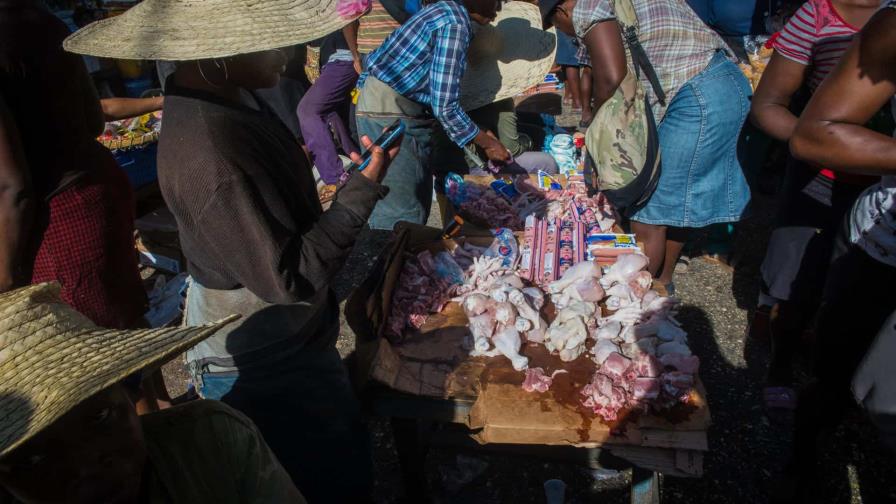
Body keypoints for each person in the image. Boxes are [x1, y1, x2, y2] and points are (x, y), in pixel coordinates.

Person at [65, 2, 399, 501]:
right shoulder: (213, 153)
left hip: (282, 341)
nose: (289, 55)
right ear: (218, 56)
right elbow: (289, 279)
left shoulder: (213, 101)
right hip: (268, 357)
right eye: (273, 42)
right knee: (324, 481)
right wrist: (359, 194)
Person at [0, 283, 304, 503]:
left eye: (100, 417)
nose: (86, 464)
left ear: (131, 393)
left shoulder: (211, 440)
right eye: (34, 459)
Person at [543, 0, 752, 293]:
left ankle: (633, 299)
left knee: (648, 210)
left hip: (699, 94)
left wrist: (598, 138)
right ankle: (661, 284)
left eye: (557, 26)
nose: (565, 33)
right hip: (715, 86)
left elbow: (611, 77)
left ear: (562, 10)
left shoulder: (587, 6)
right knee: (674, 199)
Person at [780, 3, 896, 497]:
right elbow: (812, 133)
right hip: (883, 248)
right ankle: (804, 469)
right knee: (835, 378)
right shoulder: (888, 24)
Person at [749, 0, 882, 414]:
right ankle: (782, 367)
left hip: (885, 188)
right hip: (821, 180)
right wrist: (820, 146)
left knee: (862, 296)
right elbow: (768, 105)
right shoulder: (818, 14)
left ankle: (846, 381)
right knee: (795, 284)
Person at [0, 0, 146, 328]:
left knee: (92, 350)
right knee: (130, 335)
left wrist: (7, 280)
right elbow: (94, 120)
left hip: (57, 217)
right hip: (97, 189)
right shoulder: (41, 18)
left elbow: (12, 188)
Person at [356, 0, 511, 230]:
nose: (498, 9)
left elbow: (374, 61)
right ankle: (390, 263)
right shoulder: (455, 23)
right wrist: (488, 143)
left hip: (379, 107)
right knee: (401, 216)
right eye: (496, 1)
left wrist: (478, 132)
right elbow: (445, 106)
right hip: (393, 114)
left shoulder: (443, 10)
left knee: (395, 206)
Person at [299, 26, 364, 187]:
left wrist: (356, 57)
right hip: (335, 59)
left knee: (307, 110)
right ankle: (356, 157)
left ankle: (335, 178)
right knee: (327, 111)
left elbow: (347, 19)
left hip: (343, 58)